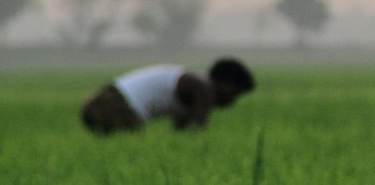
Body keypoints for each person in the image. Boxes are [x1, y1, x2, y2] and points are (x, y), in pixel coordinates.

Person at [80, 57, 255, 135]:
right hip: (116, 106)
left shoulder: (194, 86)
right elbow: (196, 132)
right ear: (225, 83)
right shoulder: (204, 88)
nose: (232, 101)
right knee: (136, 159)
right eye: (234, 93)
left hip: (100, 101)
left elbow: (182, 134)